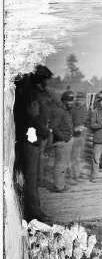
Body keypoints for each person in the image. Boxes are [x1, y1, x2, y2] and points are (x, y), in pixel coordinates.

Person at [14, 65, 54, 221]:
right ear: (40, 79)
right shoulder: (31, 93)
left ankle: (34, 211)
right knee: (31, 178)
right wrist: (47, 132)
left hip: (33, 138)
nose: (47, 83)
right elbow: (33, 118)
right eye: (45, 79)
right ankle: (34, 214)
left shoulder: (33, 92)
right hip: (31, 139)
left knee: (33, 177)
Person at [50, 88, 75, 193]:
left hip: (67, 141)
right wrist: (63, 137)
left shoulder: (66, 111)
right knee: (60, 164)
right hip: (62, 142)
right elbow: (53, 126)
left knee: (64, 164)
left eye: (72, 100)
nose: (71, 102)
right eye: (68, 100)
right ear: (64, 101)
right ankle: (58, 186)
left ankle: (61, 184)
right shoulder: (60, 111)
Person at [68, 91, 87, 184]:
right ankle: (74, 175)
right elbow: (68, 123)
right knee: (74, 157)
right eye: (79, 98)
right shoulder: (72, 109)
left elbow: (86, 121)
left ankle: (76, 173)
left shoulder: (84, 109)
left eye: (82, 99)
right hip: (74, 135)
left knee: (79, 156)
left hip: (82, 135)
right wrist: (74, 129)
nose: (80, 100)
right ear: (76, 99)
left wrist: (84, 127)